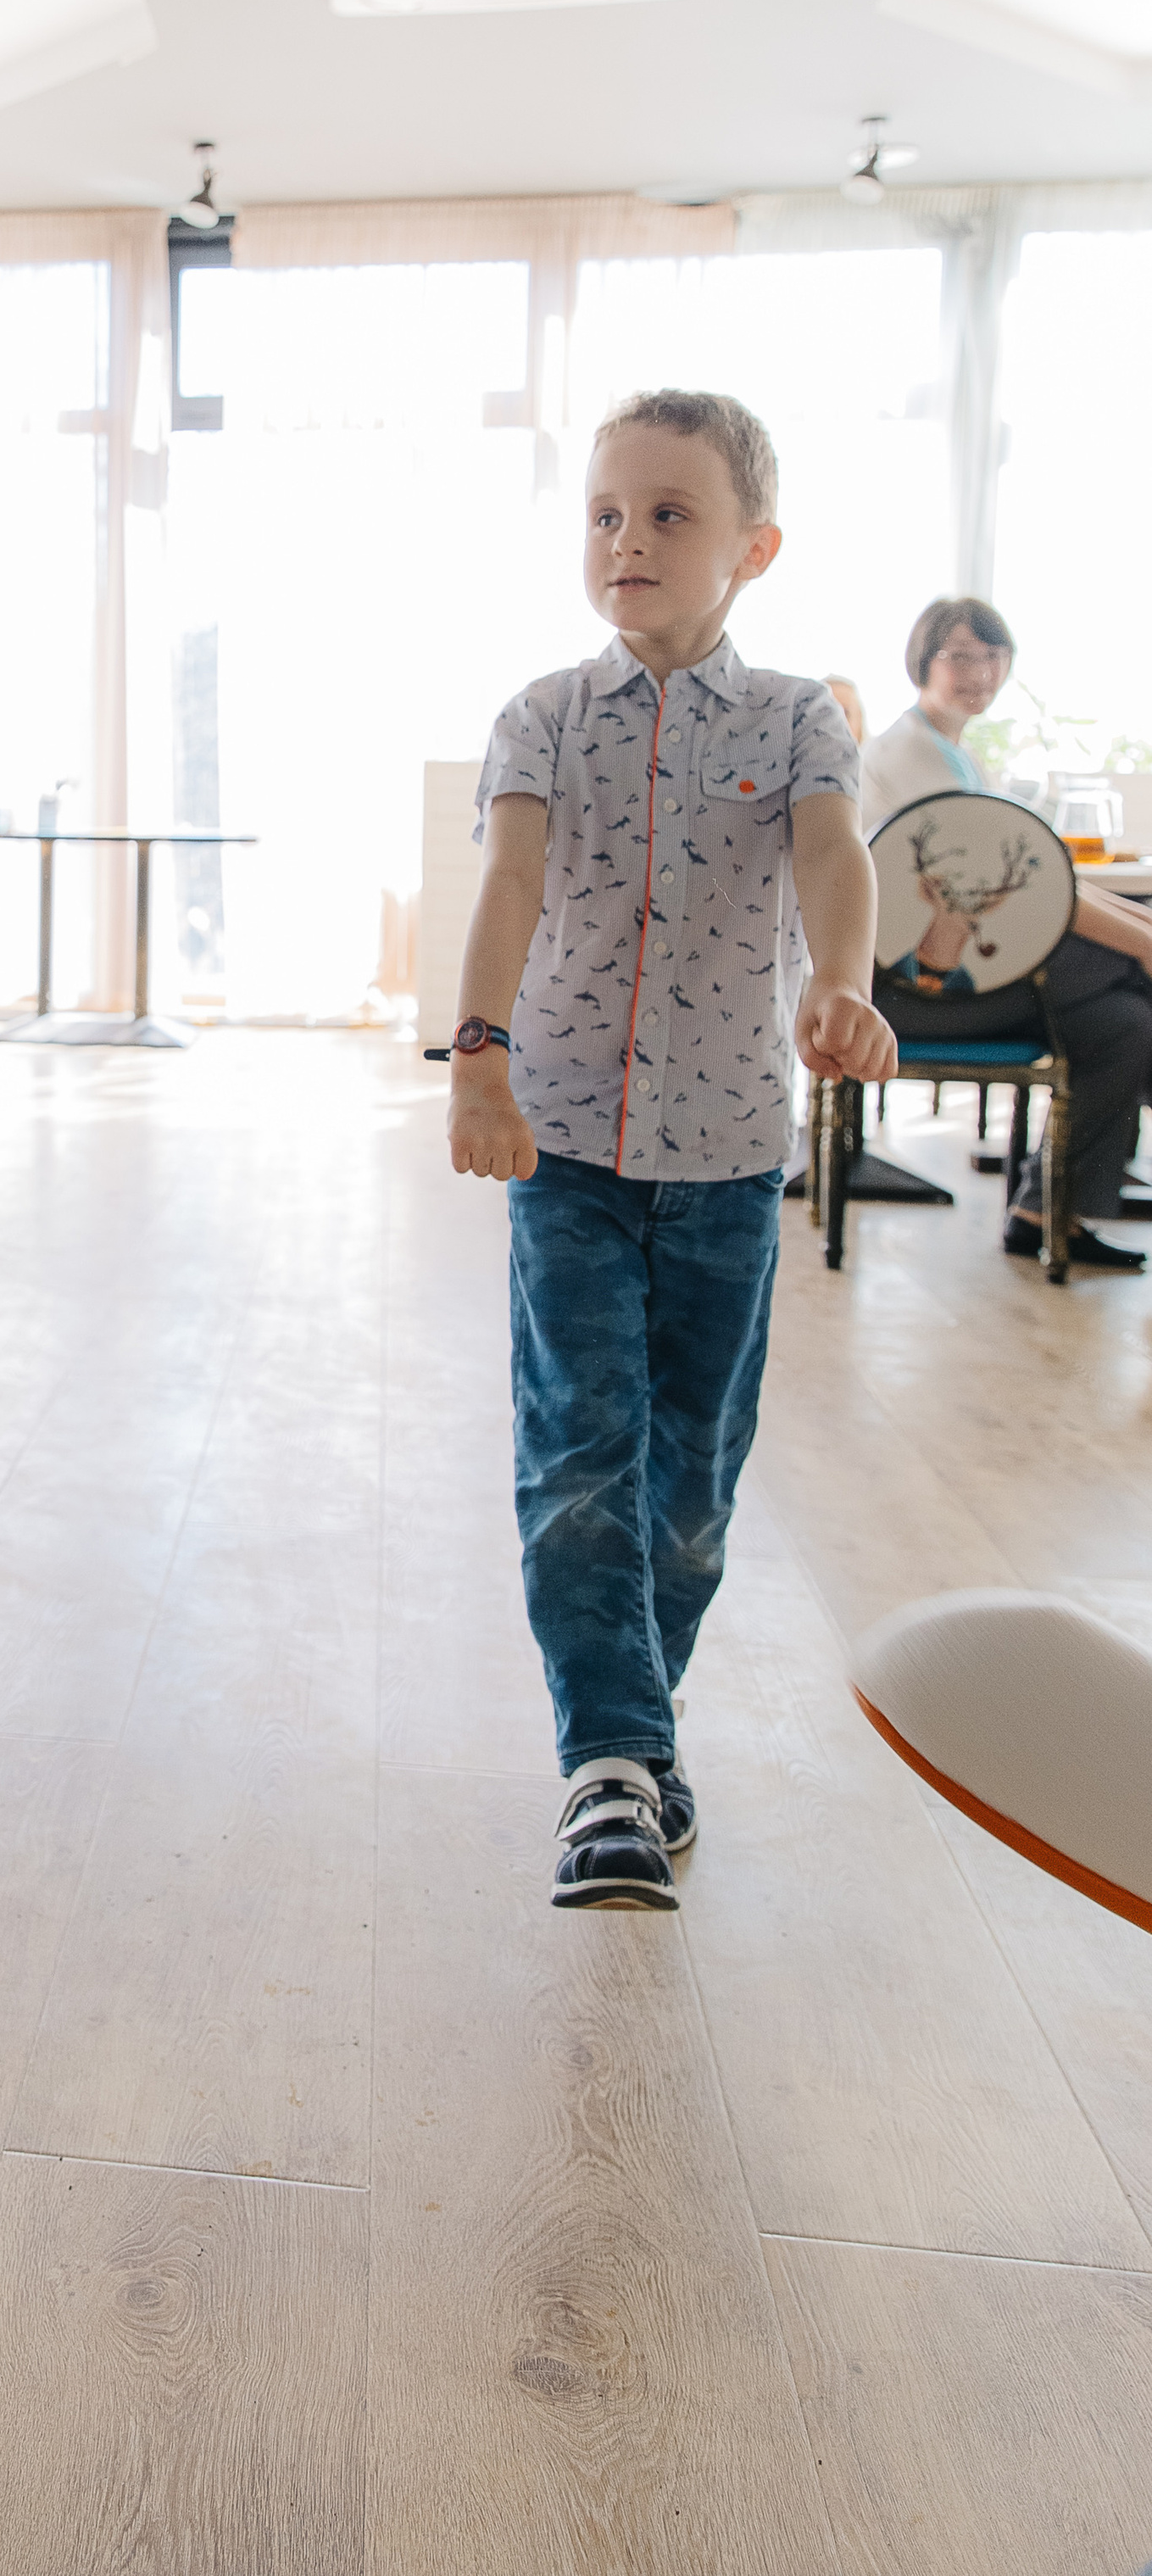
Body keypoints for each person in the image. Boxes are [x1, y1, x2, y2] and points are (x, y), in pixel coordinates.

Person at [445, 389, 895, 1911]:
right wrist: (478, 1055)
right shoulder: (542, 716)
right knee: (581, 1451)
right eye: (604, 513)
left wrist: (845, 984)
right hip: (561, 1143)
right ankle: (610, 1766)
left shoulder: (799, 721)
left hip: (724, 1160)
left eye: (670, 514)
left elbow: (836, 857)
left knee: (691, 1476)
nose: (627, 539)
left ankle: (635, 1719)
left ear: (753, 548)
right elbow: (509, 885)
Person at [862, 596, 1152, 1270]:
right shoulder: (913, 757)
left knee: (1126, 1022)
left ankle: (1041, 1212)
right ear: (922, 660)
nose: (980, 672)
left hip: (969, 978)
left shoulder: (958, 758)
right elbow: (1043, 901)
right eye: (960, 655)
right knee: (1126, 986)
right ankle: (1053, 1206)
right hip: (913, 992)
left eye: (993, 656)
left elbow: (1048, 887)